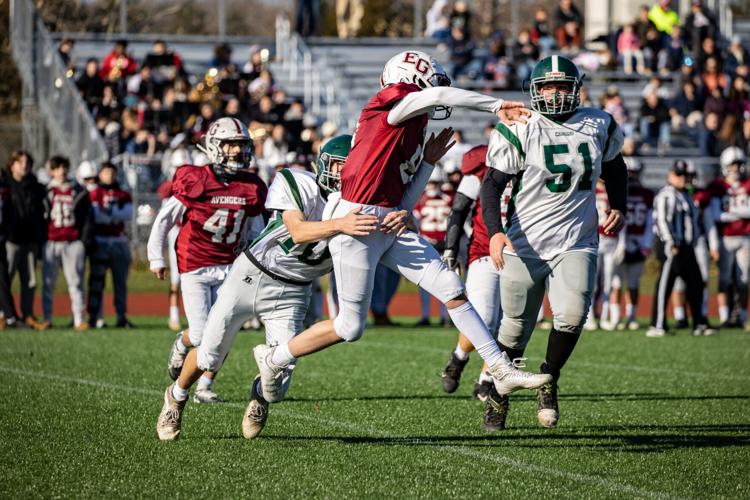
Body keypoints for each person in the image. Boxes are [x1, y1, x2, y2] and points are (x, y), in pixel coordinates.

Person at [252, 50, 550, 425]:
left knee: (451, 287)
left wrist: (426, 165)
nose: (437, 92)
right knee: (350, 327)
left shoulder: (411, 129)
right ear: (411, 79)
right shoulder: (387, 104)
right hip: (355, 218)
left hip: (387, 220)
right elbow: (438, 96)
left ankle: (499, 367)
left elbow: (402, 199)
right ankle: (274, 357)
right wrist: (496, 106)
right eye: (431, 83)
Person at [157, 134, 387, 440]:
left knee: (280, 375)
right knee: (210, 353)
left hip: (294, 291)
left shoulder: (364, 207)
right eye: (338, 167)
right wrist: (341, 224)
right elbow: (299, 231)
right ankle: (176, 396)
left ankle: (259, 397)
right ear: (322, 164)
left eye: (350, 171)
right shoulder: (296, 181)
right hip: (252, 275)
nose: (342, 176)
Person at [480, 55, 627, 430]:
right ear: (535, 90)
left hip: (576, 236)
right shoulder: (521, 125)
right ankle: (499, 393)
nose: (556, 93)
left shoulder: (599, 123)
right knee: (515, 328)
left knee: (574, 315)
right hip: (523, 239)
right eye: (548, 86)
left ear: (576, 89)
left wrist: (619, 204)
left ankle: (548, 380)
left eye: (563, 86)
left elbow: (614, 167)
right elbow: (492, 185)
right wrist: (495, 230)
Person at [149, 118, 267, 404]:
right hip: (195, 263)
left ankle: (205, 385)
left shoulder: (250, 186)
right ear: (215, 147)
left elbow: (256, 229)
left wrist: (257, 259)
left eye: (241, 146)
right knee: (202, 334)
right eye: (230, 145)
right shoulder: (195, 179)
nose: (237, 152)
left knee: (224, 329)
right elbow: (165, 219)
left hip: (230, 264)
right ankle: (182, 342)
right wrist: (156, 256)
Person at [439, 145, 516, 410]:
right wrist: (450, 247)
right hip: (484, 249)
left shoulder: (539, 159)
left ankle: (485, 379)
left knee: (509, 325)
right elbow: (459, 208)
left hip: (521, 254)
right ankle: (459, 357)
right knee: (484, 318)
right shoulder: (482, 162)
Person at [647, 160, 714, 337]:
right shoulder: (666, 195)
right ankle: (657, 325)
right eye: (680, 174)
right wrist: (671, 242)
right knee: (665, 285)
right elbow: (662, 221)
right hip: (672, 246)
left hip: (686, 246)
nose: (684, 178)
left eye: (686, 175)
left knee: (696, 283)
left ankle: (699, 323)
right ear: (670, 175)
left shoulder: (685, 195)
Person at [40, 156, 93, 330]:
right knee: (48, 283)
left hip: (72, 242)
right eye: (57, 168)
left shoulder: (77, 190)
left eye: (64, 167)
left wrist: (83, 242)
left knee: (76, 282)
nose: (61, 171)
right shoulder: (45, 191)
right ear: (51, 171)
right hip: (52, 242)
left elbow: (87, 218)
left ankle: (78, 319)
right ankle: (47, 317)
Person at [608, 158, 654, 330]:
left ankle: (632, 316)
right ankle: (614, 317)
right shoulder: (617, 193)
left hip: (638, 240)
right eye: (630, 173)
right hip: (618, 241)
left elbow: (650, 221)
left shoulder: (647, 194)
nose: (632, 177)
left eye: (635, 173)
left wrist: (646, 244)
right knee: (616, 282)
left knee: (633, 283)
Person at [87, 162, 133, 328]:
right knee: (97, 281)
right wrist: (114, 215)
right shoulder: (94, 193)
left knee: (120, 282)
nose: (109, 176)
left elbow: (128, 214)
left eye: (112, 172)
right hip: (100, 241)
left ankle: (121, 316)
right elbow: (97, 216)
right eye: (106, 172)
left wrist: (109, 214)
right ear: (100, 174)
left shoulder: (123, 194)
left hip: (119, 241)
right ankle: (96, 317)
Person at [3, 150, 46, 329]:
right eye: (20, 162)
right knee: (5, 280)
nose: (24, 165)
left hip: (29, 240)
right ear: (12, 165)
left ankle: (28, 314)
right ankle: (4, 316)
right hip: (10, 240)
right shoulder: (5, 185)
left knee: (30, 281)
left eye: (27, 162)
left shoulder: (36, 187)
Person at [708, 147, 750, 329]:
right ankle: (724, 316)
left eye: (739, 164)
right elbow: (717, 215)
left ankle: (741, 316)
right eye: (733, 164)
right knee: (724, 279)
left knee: (744, 279)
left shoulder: (747, 184)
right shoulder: (718, 186)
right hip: (725, 238)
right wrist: (741, 213)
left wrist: (731, 211)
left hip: (745, 236)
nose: (736, 168)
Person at [414, 167, 453, 326]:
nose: (431, 186)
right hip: (427, 242)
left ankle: (445, 317)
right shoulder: (447, 198)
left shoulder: (425, 199)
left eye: (434, 182)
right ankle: (427, 315)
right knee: (425, 282)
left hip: (443, 244)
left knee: (448, 281)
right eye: (430, 182)